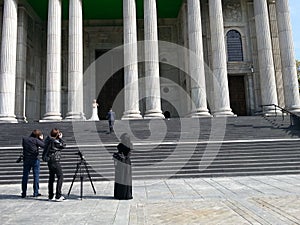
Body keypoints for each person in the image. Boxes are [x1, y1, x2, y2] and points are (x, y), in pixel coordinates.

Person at [44, 128, 66, 201]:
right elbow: (63, 145)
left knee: (51, 178)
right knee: (60, 176)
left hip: (49, 160)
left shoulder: (48, 140)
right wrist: (61, 138)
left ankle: (50, 195)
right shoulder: (55, 141)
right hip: (55, 160)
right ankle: (58, 195)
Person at [21, 129, 44, 198]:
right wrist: (41, 139)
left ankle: (24, 192)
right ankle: (35, 192)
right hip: (34, 160)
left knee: (25, 176)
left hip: (26, 159)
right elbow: (44, 146)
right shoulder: (36, 140)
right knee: (36, 176)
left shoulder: (24, 139)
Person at [112, 133, 133, 200]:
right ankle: (122, 194)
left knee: (124, 178)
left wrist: (121, 156)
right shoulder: (125, 145)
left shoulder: (129, 145)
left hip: (124, 163)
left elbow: (128, 155)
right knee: (122, 178)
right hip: (123, 163)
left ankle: (122, 194)